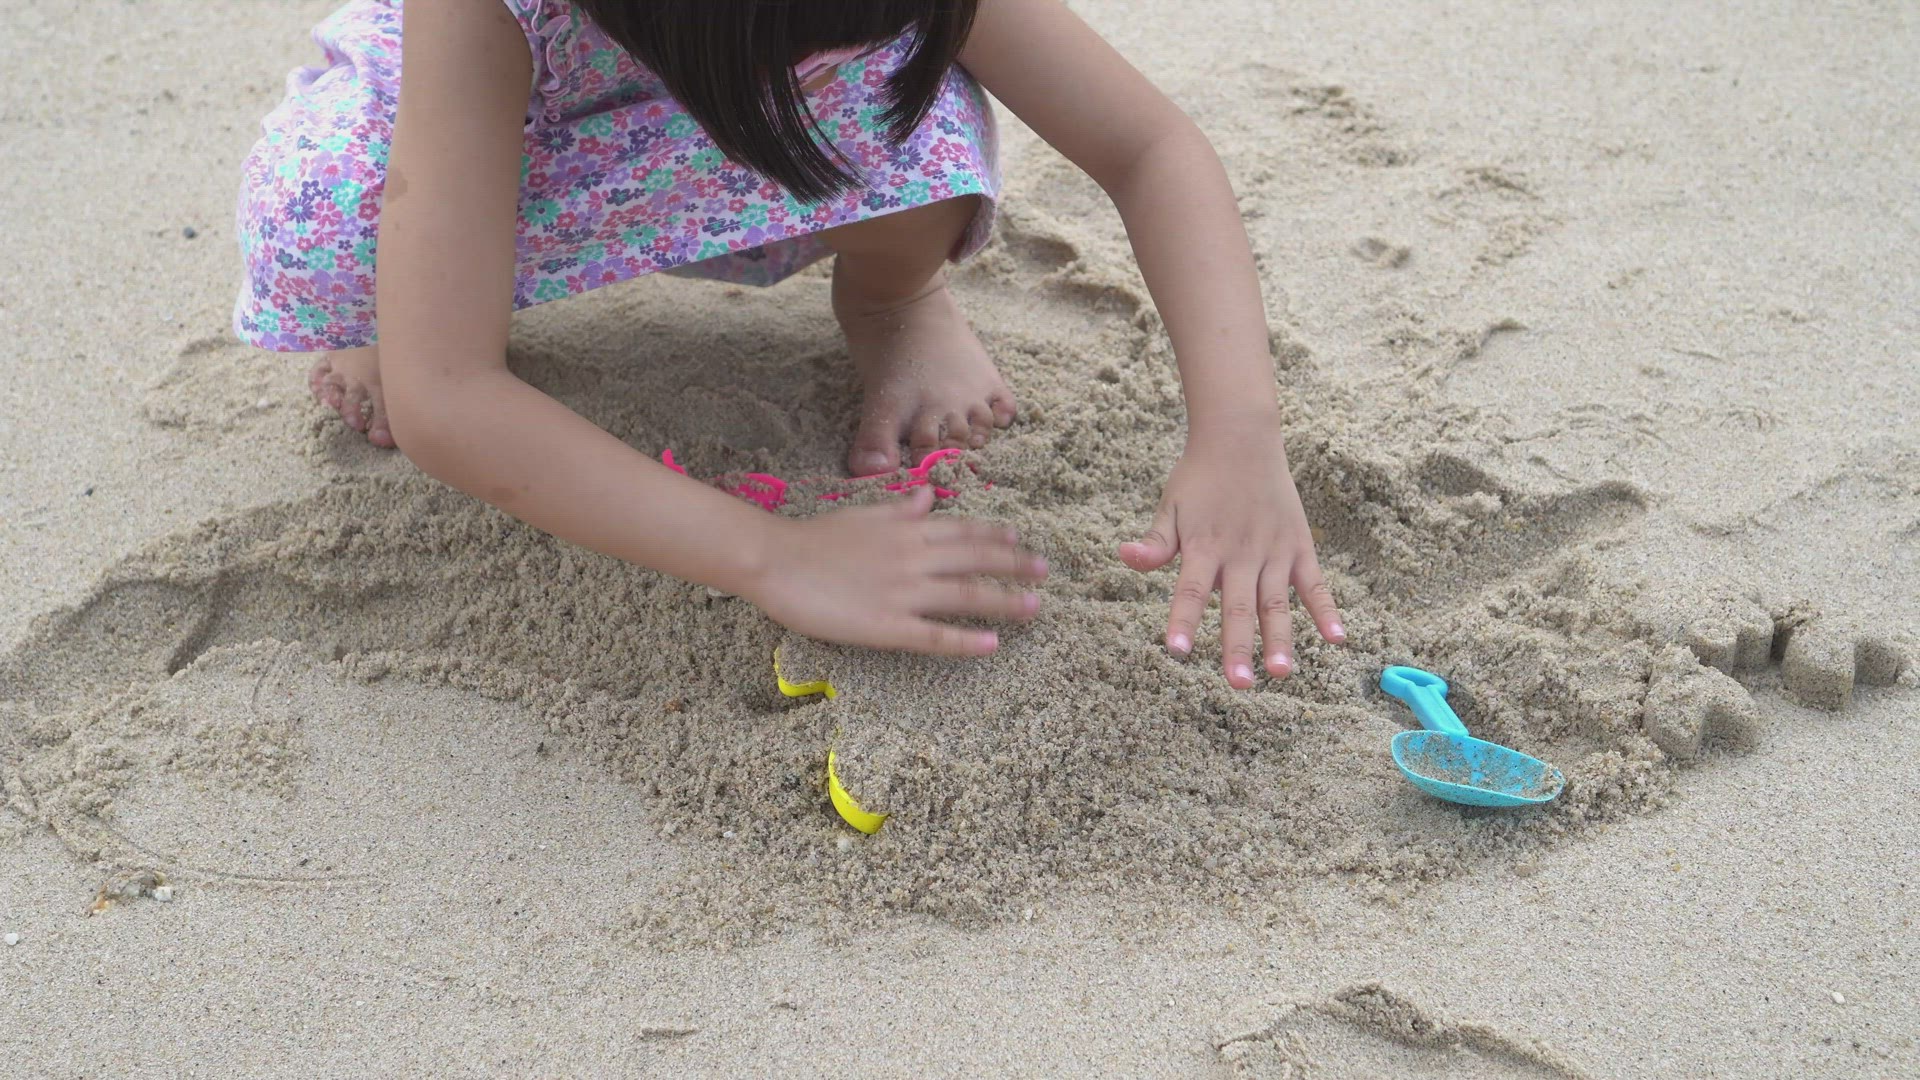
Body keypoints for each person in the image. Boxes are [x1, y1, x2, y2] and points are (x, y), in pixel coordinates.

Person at [234, 0, 1346, 687]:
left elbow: (1151, 146)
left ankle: (892, 300)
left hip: (743, 97)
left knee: (896, 106)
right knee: (326, 225)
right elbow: (448, 399)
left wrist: (1241, 433)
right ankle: (399, 293)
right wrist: (773, 555)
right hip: (505, 125)